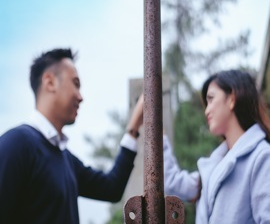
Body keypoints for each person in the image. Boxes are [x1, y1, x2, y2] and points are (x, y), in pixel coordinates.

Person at [0, 48, 143, 224]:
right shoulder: (16, 144)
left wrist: (134, 126)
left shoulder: (64, 158)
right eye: (75, 84)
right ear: (50, 82)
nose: (80, 96)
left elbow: (111, 188)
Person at [163, 69, 270, 223]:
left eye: (211, 99)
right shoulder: (214, 167)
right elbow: (172, 182)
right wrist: (157, 131)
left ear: (232, 98)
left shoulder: (262, 157)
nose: (206, 110)